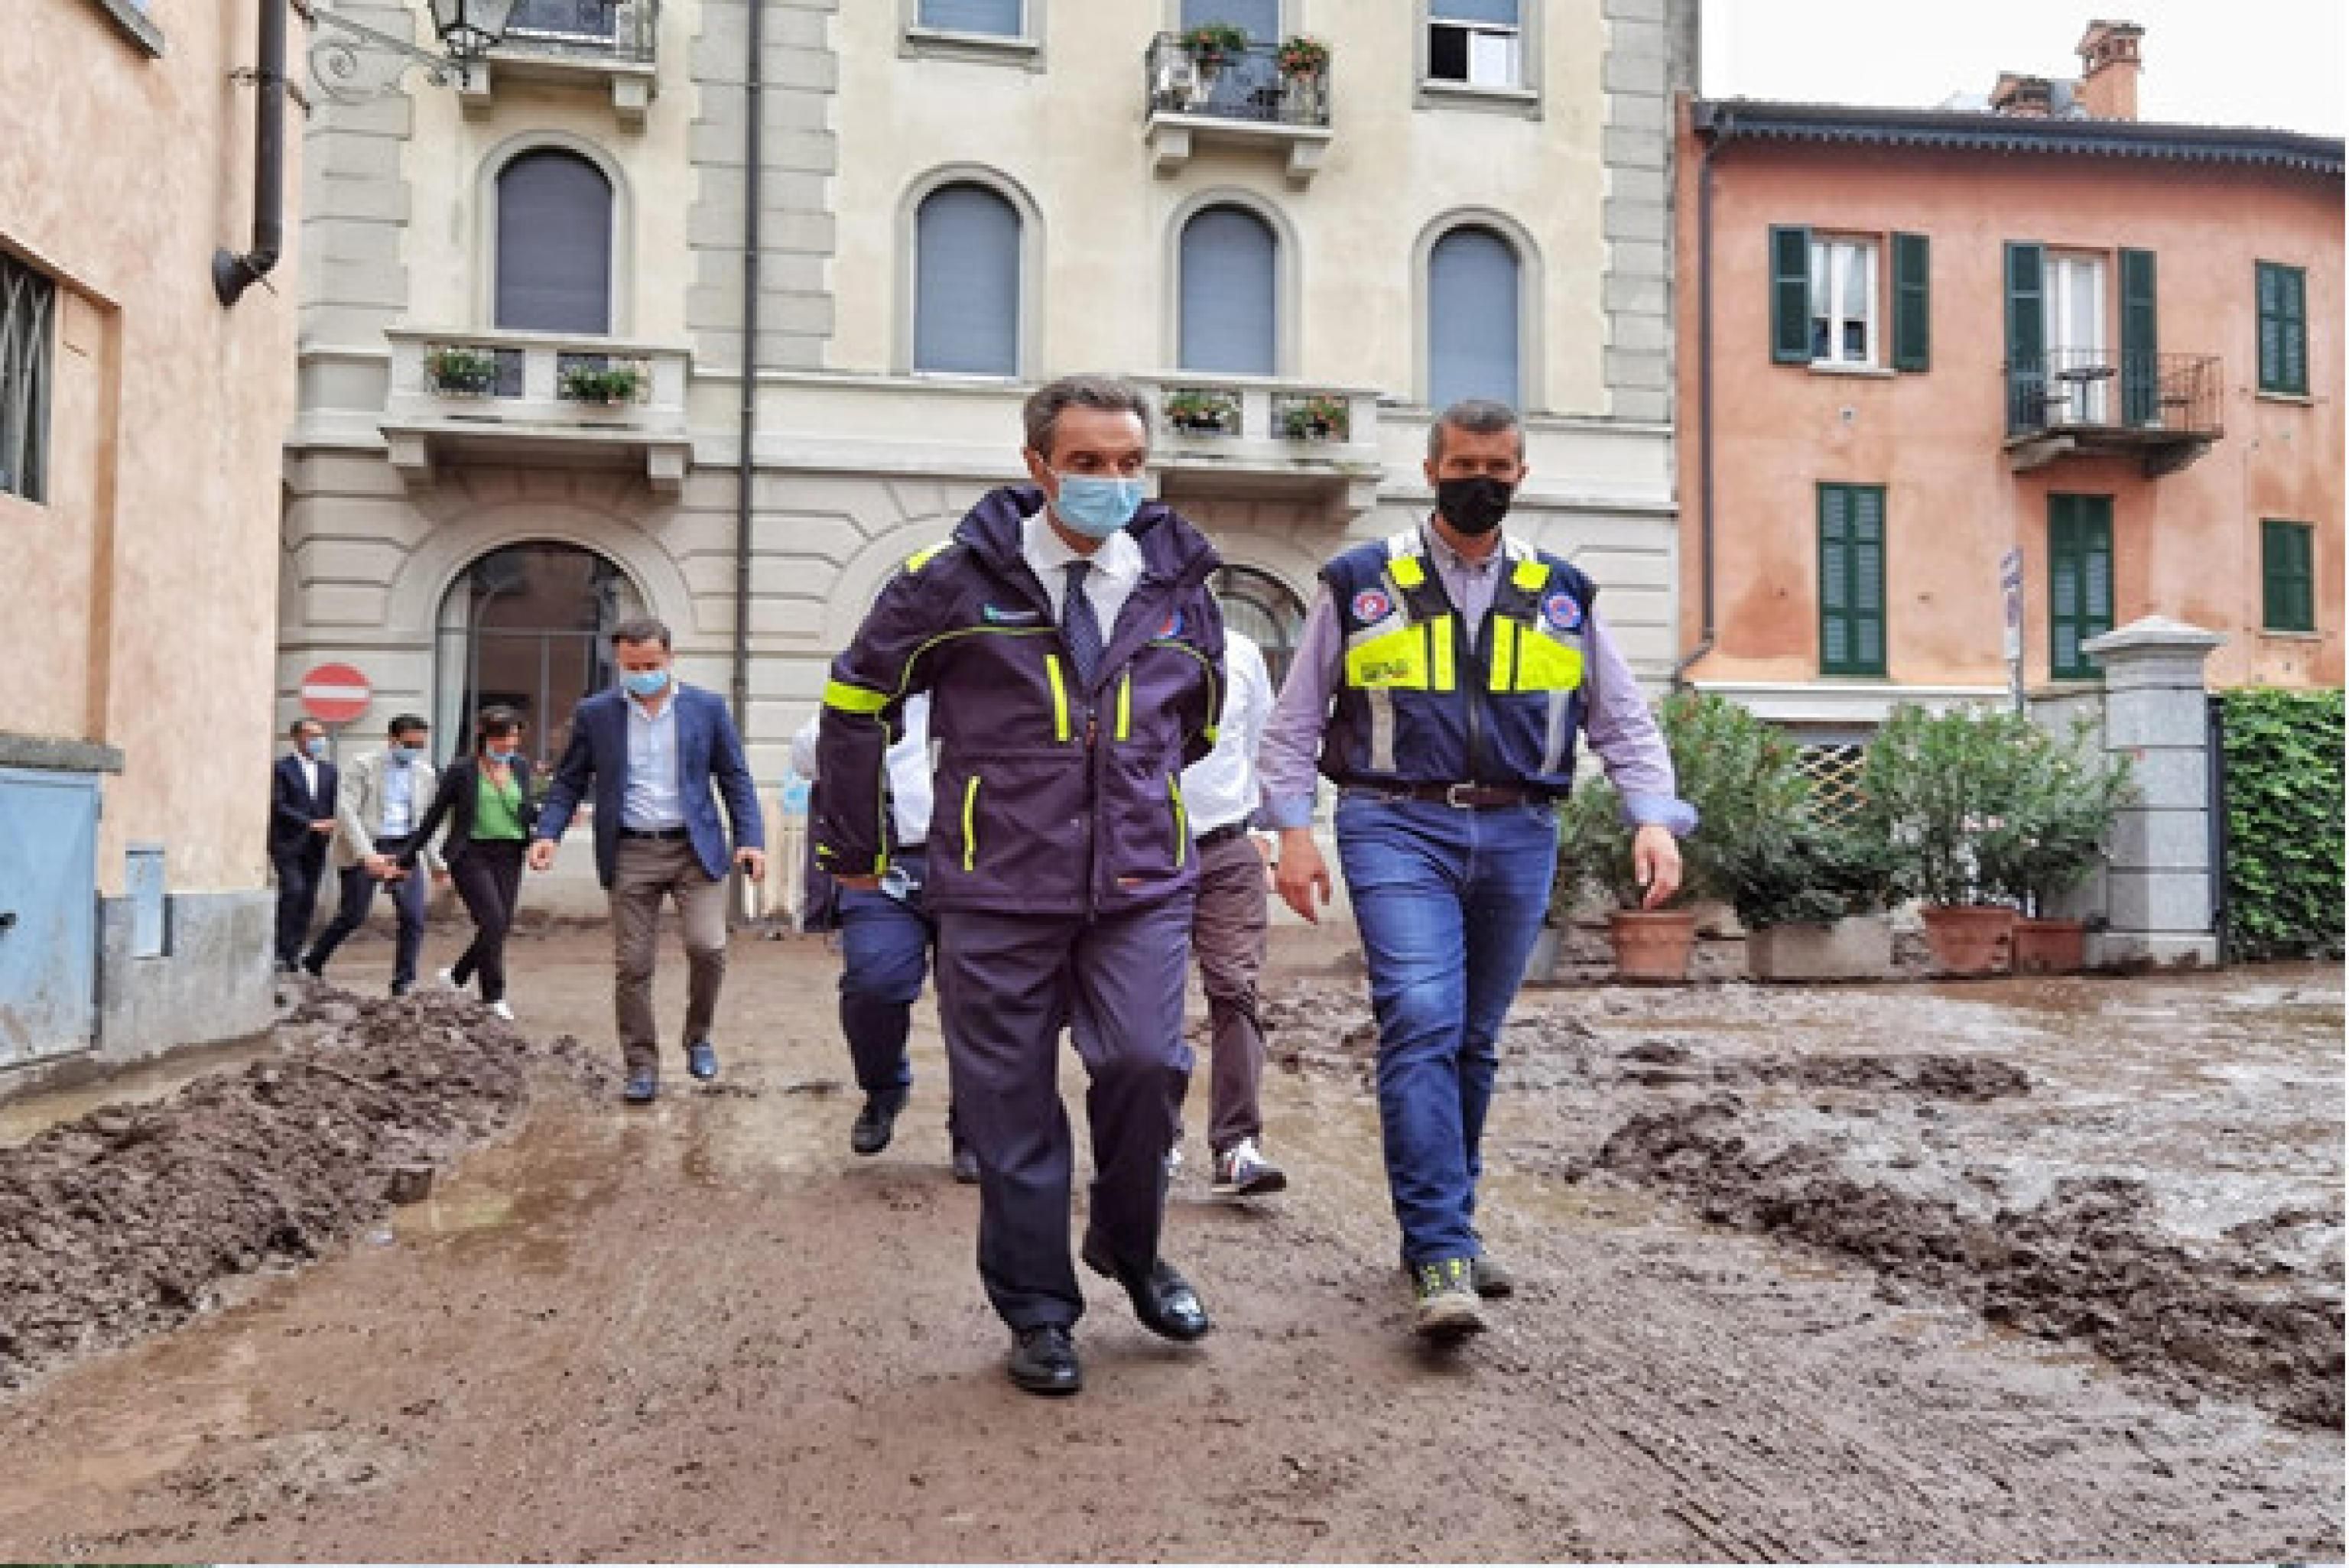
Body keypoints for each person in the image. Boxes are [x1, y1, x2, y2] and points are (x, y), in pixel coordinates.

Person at [817, 375, 1224, 1398]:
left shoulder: (1181, 582)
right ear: (1039, 465)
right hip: (995, 885)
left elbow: (1199, 719)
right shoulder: (949, 580)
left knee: (1141, 1063)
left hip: (1137, 880)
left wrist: (1133, 797)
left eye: (1130, 462)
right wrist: (855, 843)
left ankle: (1131, 1249)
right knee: (1011, 1108)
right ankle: (1039, 1310)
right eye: (1089, 462)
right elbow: (857, 699)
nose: (1112, 481)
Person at [1259, 398, 1694, 1342]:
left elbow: (1619, 717)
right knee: (1421, 1014)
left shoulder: (1561, 589)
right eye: (1465, 464)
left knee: (1475, 1038)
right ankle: (1444, 1249)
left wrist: (1652, 818)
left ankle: (1443, 1224)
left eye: (1499, 467)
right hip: (1393, 823)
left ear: (1521, 476)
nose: (1481, 481)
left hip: (1519, 831)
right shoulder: (1360, 579)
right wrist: (1292, 830)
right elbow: (1295, 720)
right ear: (1430, 468)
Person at [529, 617, 766, 1103]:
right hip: (630, 849)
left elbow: (735, 779)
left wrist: (751, 839)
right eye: (631, 666)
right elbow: (570, 780)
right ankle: (641, 1065)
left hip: (693, 849)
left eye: (650, 665)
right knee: (633, 965)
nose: (641, 674)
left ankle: (697, 1037)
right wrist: (548, 832)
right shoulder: (596, 714)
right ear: (619, 662)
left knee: (708, 948)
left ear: (670, 658)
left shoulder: (706, 708)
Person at [791, 694, 978, 1183]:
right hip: (885, 864)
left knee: (978, 1001)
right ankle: (883, 1088)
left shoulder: (986, 679)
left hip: (978, 863)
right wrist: (857, 723)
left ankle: (975, 1130)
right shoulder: (873, 684)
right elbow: (806, 756)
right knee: (874, 981)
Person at [1174, 628, 1286, 1199]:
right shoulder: (1125, 637)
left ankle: (1237, 1146)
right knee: (1147, 995)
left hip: (1229, 848)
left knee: (1236, 986)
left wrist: (1267, 835)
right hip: (1146, 849)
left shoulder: (1243, 650)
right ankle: (1155, 1137)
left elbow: (1263, 746)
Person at [404, 706, 536, 1021]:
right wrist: (407, 856)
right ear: (484, 734)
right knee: (492, 920)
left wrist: (547, 825)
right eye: (502, 736)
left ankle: (457, 976)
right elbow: (433, 816)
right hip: (471, 854)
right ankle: (494, 996)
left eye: (515, 737)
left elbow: (523, 810)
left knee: (499, 925)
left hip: (510, 854)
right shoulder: (462, 770)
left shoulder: (520, 766)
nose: (509, 743)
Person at [304, 713, 441, 996]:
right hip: (365, 844)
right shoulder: (362, 766)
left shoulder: (425, 774)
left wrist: (436, 862)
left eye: (420, 745)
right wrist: (367, 854)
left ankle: (403, 983)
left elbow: (425, 820)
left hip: (404, 847)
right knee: (353, 915)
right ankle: (313, 962)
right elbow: (347, 812)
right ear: (392, 740)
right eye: (409, 743)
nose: (414, 750)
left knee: (413, 917)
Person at [270, 717, 339, 972]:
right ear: (297, 737)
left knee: (308, 897)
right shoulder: (282, 769)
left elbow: (334, 803)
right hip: (289, 843)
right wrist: (310, 823)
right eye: (312, 735)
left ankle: (294, 952)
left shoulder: (329, 771)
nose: (318, 740)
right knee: (293, 891)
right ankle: (280, 949)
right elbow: (279, 805)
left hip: (316, 845)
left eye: (321, 735)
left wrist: (333, 824)